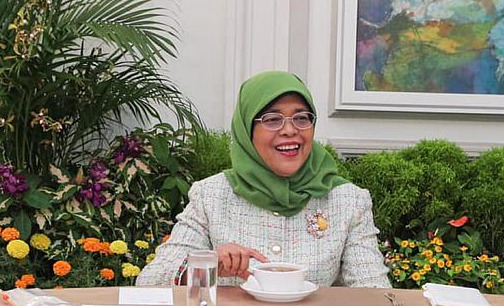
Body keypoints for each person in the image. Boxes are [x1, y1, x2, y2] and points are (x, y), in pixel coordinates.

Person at [138, 71, 390, 288]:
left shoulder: (347, 200)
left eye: (301, 118)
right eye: (272, 119)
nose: (290, 130)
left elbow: (374, 292)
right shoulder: (212, 196)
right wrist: (207, 264)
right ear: (247, 131)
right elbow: (151, 282)